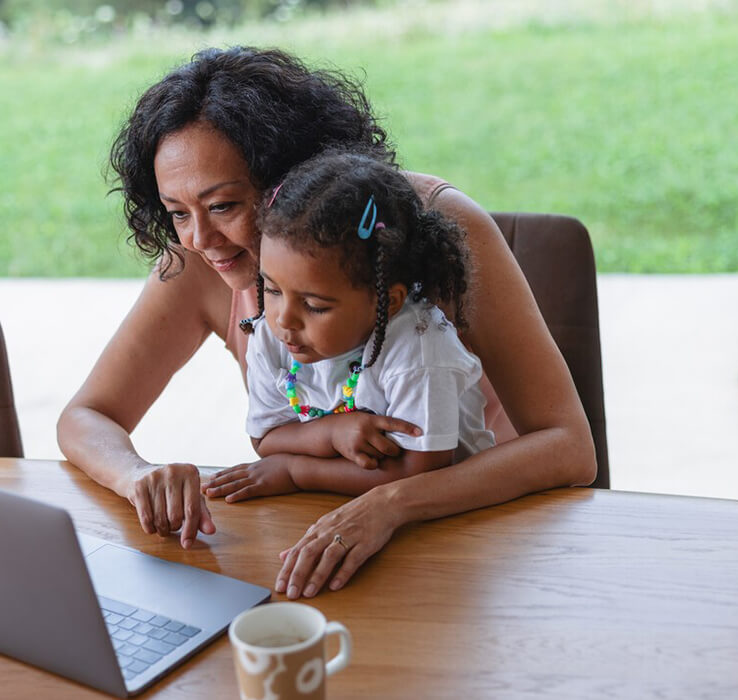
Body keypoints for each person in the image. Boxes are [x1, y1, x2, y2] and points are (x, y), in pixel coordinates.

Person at [57, 46, 596, 599]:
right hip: (325, 537)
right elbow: (87, 415)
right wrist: (136, 475)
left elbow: (567, 448)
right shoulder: (199, 260)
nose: (200, 240)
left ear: (288, 182)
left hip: (479, 533)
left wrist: (391, 503)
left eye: (222, 206)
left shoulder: (421, 231)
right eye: (177, 212)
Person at [203, 150, 495, 503]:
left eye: (314, 305)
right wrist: (330, 433)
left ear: (389, 300)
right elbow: (265, 438)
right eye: (272, 289)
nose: (284, 318)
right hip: (336, 506)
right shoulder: (273, 335)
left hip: (448, 516)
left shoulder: (418, 349)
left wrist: (297, 472)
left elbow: (420, 473)